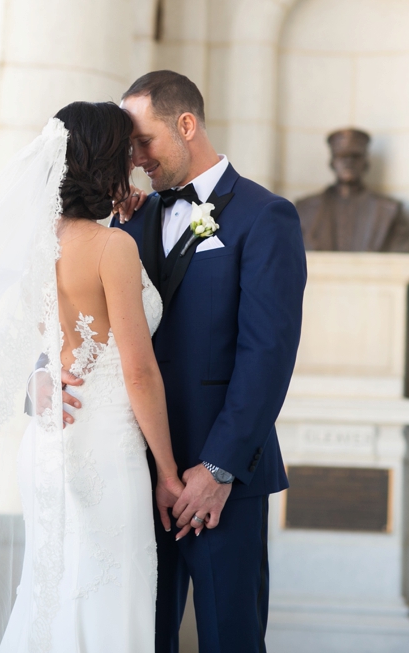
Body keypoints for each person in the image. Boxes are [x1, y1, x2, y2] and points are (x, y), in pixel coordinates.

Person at [99, 70, 305, 653]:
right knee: (142, 638)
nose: (135, 159)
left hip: (225, 483)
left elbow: (267, 355)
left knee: (229, 638)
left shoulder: (267, 217)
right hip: (137, 474)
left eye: (143, 142)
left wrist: (217, 470)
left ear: (186, 125)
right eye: (128, 148)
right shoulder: (130, 220)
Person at [0, 101, 191, 653]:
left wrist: (37, 383)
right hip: (105, 448)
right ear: (104, 159)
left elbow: (42, 347)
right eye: (127, 149)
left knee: (52, 599)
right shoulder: (113, 248)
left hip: (46, 442)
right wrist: (169, 471)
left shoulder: (34, 244)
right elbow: (137, 370)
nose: (136, 159)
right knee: (106, 602)